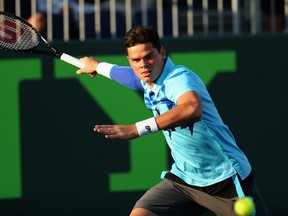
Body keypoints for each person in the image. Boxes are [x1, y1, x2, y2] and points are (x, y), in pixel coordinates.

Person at [76, 26, 269, 216]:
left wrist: (137, 129)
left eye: (149, 56)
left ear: (161, 52)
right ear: (130, 60)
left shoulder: (178, 78)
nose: (143, 65)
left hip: (225, 180)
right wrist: (97, 66)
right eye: (136, 60)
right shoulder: (147, 77)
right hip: (184, 179)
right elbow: (128, 76)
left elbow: (192, 108)